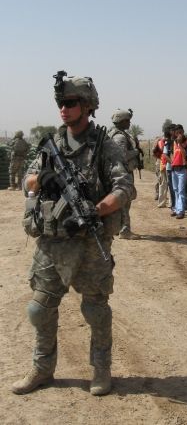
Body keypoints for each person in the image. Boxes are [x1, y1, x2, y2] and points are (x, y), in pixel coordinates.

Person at [12, 72, 134, 397]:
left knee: (95, 309)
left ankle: (101, 369)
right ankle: (42, 369)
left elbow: (124, 189)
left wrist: (95, 211)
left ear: (87, 106)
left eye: (69, 103)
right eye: (60, 103)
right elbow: (26, 182)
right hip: (52, 243)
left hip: (88, 241)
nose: (63, 109)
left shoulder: (104, 146)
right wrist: (44, 179)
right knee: (39, 308)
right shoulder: (52, 144)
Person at [108, 109, 142, 240]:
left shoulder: (115, 133)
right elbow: (122, 156)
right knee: (124, 201)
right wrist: (135, 152)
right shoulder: (120, 137)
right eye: (127, 120)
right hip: (122, 173)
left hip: (119, 173)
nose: (129, 123)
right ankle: (124, 230)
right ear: (121, 121)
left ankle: (119, 227)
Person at [171, 124, 187, 219]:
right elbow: (173, 155)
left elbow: (185, 154)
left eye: (180, 132)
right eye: (177, 133)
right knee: (176, 190)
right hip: (174, 168)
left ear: (183, 132)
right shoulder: (174, 142)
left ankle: (181, 211)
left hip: (182, 169)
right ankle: (177, 209)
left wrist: (180, 143)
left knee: (181, 190)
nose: (179, 134)